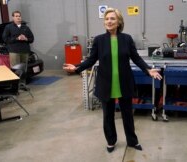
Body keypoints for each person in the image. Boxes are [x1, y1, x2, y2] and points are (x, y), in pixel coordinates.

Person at [63, 8, 162, 153]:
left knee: (127, 115)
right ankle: (111, 141)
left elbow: (136, 58)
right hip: (106, 83)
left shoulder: (127, 39)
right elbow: (91, 60)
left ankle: (132, 141)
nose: (109, 21)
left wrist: (148, 69)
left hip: (124, 83)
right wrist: (77, 67)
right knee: (108, 116)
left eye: (112, 19)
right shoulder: (99, 40)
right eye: (107, 19)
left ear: (119, 22)